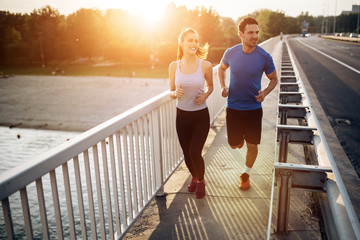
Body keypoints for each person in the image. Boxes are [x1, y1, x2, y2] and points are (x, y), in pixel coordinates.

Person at [217, 17, 278, 190]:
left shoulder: (264, 57)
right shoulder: (230, 53)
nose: (255, 36)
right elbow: (221, 69)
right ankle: (239, 139)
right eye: (250, 32)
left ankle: (245, 174)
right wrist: (222, 86)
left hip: (253, 109)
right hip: (233, 108)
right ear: (241, 34)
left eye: (257, 32)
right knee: (234, 144)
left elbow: (274, 79)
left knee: (253, 145)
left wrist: (265, 92)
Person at [169, 27, 213, 199]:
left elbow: (211, 86)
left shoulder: (206, 65)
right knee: (187, 154)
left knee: (195, 152)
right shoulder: (174, 66)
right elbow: (171, 90)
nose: (194, 43)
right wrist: (175, 94)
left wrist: (206, 95)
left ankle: (201, 181)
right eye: (190, 40)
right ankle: (194, 177)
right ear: (181, 42)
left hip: (200, 115)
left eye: (196, 40)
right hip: (182, 116)